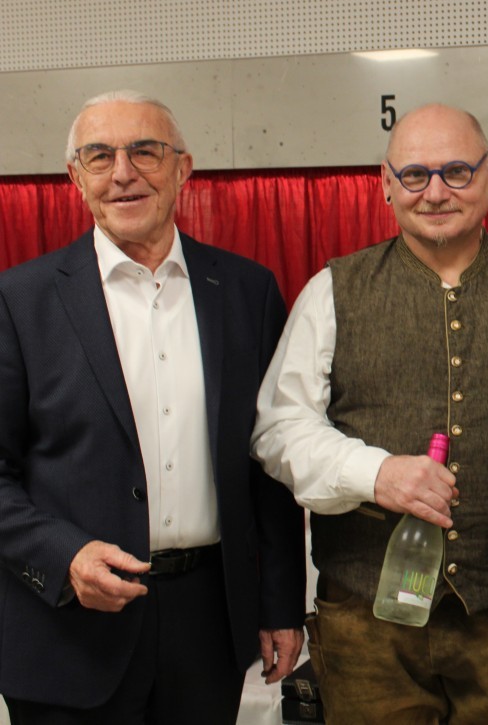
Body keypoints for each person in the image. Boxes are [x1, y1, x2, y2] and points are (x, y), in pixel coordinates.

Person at [0, 91, 306, 724]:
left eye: (145, 151)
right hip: (68, 628)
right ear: (75, 176)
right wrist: (65, 556)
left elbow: (269, 463)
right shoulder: (19, 301)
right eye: (99, 155)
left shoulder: (247, 291)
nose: (123, 173)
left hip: (207, 624)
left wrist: (280, 604)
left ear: (183, 168)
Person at [252, 103, 488, 724]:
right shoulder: (332, 291)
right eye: (414, 175)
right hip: (366, 626)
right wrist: (375, 474)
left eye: (457, 171)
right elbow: (279, 430)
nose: (435, 193)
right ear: (386, 184)